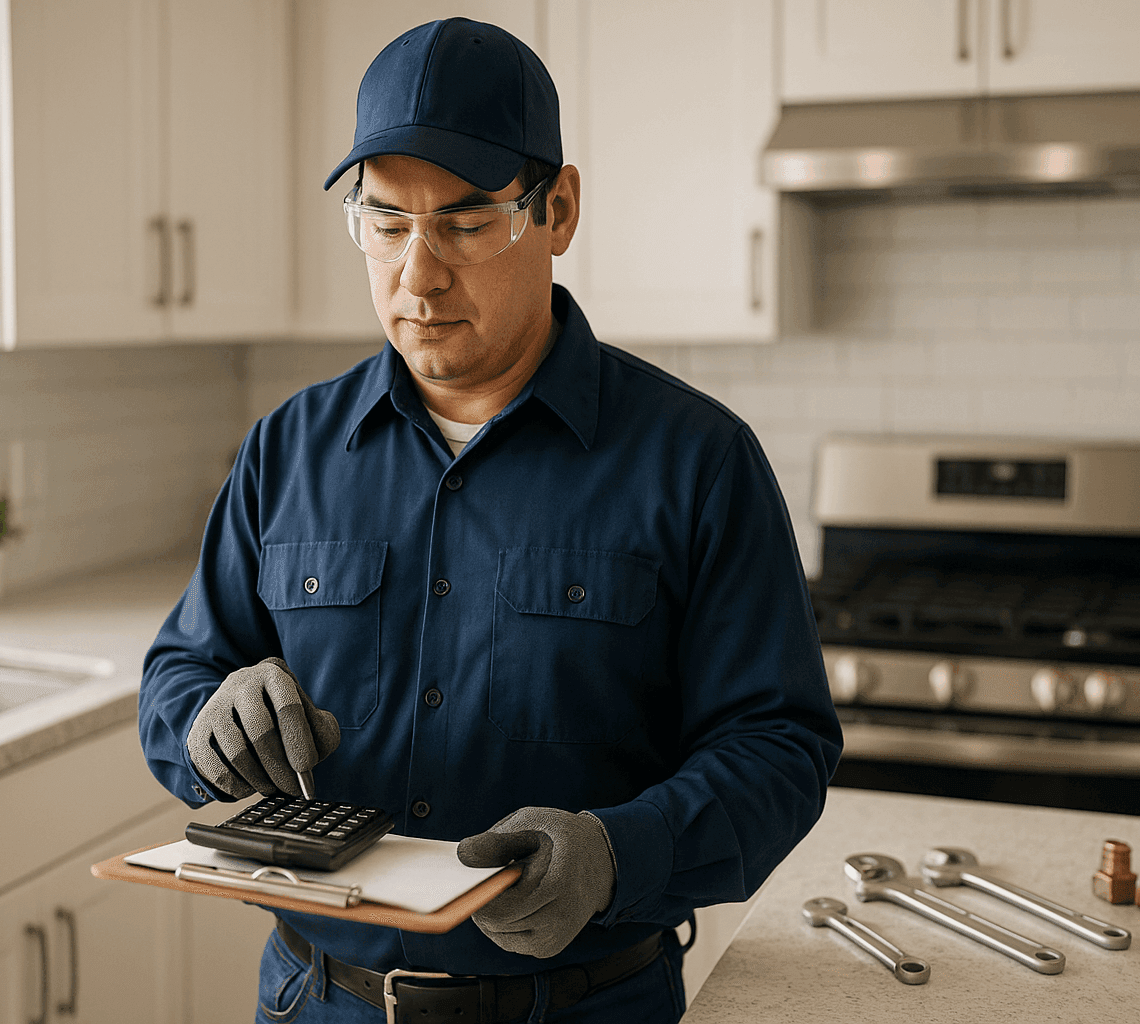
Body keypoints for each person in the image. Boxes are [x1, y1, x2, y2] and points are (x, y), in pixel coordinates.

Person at [138, 16, 842, 1024]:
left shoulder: (699, 461)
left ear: (559, 210)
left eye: (466, 223)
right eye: (385, 222)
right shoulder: (283, 451)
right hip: (318, 999)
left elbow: (779, 746)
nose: (418, 274)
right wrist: (205, 721)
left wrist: (619, 855)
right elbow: (178, 674)